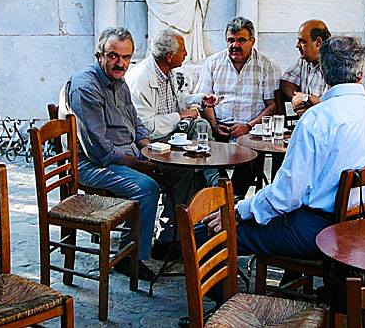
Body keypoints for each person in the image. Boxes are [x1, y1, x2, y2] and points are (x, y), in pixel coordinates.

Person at [206, 36, 365, 259]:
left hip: (322, 232)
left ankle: (229, 295)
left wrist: (238, 211)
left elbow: (285, 196)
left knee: (207, 233)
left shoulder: (317, 119)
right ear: (362, 72)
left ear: (323, 73)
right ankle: (293, 279)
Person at [65, 27, 161, 280]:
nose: (120, 63)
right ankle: (130, 258)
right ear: (99, 55)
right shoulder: (86, 87)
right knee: (147, 187)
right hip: (92, 165)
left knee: (179, 172)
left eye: (126, 57)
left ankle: (169, 240)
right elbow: (99, 150)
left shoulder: (119, 81)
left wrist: (146, 146)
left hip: (125, 154)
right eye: (113, 56)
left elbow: (135, 120)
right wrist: (140, 165)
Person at [125, 29, 219, 258]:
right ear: (169, 56)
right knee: (184, 170)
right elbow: (145, 126)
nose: (187, 54)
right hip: (147, 145)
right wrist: (182, 116)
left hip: (168, 139)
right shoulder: (142, 78)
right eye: (183, 50)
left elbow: (174, 104)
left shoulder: (168, 73)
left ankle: (185, 232)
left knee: (197, 162)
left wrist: (198, 101)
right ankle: (168, 239)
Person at [195, 16, 281, 196]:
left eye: (241, 40)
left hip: (251, 132)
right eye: (231, 40)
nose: (235, 45)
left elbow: (272, 106)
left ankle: (230, 201)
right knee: (200, 154)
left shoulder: (267, 65)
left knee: (252, 157)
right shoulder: (213, 63)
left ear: (252, 41)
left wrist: (248, 126)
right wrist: (214, 125)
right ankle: (220, 197)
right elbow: (203, 101)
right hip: (219, 129)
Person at [279, 19, 332, 115]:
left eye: (302, 41)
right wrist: (297, 100)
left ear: (318, 42)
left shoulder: (335, 65)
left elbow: (329, 105)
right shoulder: (304, 60)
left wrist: (305, 99)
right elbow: (286, 82)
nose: (297, 46)